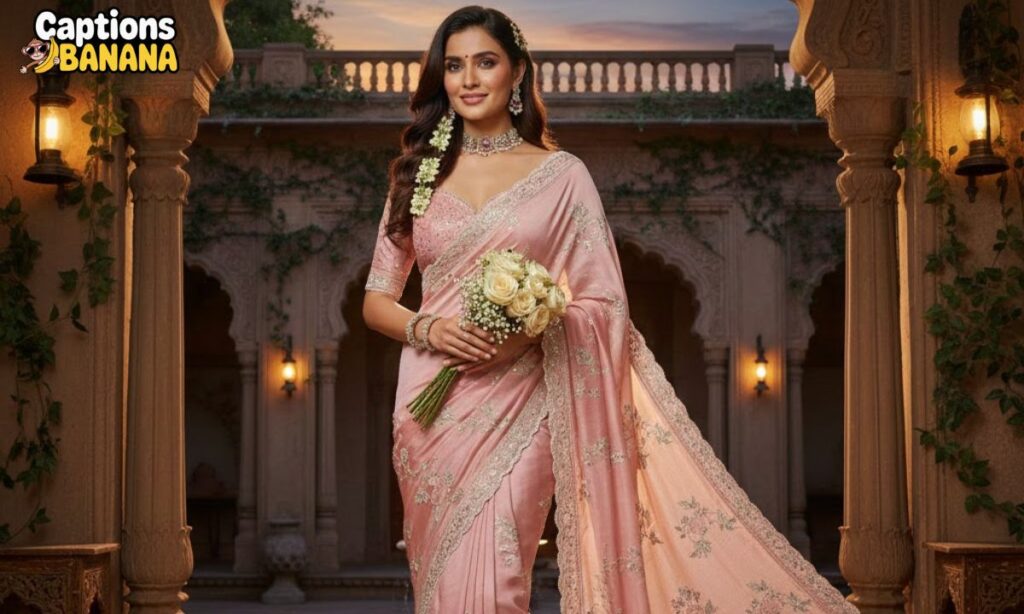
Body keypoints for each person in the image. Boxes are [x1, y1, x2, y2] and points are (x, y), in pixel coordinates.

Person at [362, 6, 857, 613]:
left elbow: (602, 301)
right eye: (455, 65)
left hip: (521, 401)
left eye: (485, 62)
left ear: (516, 73)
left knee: (496, 580)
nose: (468, 79)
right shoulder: (417, 177)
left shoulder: (561, 177)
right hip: (429, 411)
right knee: (439, 583)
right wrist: (429, 326)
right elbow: (376, 300)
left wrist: (530, 327)